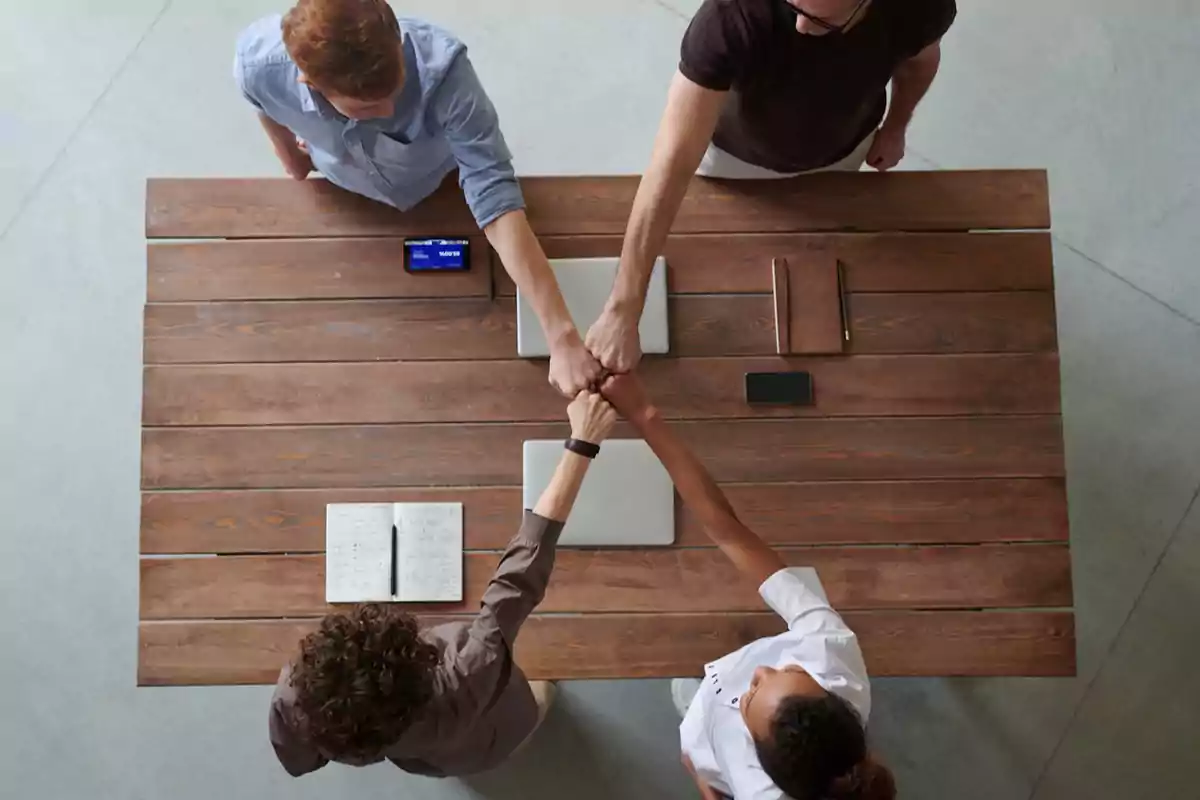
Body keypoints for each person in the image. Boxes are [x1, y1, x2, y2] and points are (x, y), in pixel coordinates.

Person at [234, 0, 601, 396]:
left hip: (434, 180)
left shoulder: (444, 71)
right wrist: (291, 159)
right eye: (368, 107)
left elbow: (492, 187)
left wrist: (561, 336)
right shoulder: (258, 65)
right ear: (310, 82)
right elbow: (259, 100)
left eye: (396, 87)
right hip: (347, 195)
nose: (392, 109)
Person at [586, 0, 957, 372]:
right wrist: (623, 309)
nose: (799, 27)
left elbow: (919, 63)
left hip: (843, 150)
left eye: (816, 19)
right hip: (731, 157)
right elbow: (672, 160)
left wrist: (895, 128)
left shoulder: (919, 6)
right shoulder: (731, 15)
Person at [267, 390, 618, 777]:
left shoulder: (296, 693)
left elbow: (298, 762)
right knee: (538, 698)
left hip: (438, 757)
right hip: (489, 732)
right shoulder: (464, 674)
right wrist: (582, 442)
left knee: (473, 749)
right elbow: (519, 574)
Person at [601, 372, 893, 800]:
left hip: (707, 750)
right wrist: (646, 416)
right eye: (788, 670)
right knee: (702, 703)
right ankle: (704, 705)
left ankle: (698, 716)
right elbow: (729, 532)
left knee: (696, 724)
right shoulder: (830, 649)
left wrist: (704, 781)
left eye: (751, 694)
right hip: (713, 738)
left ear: (757, 759)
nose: (761, 670)